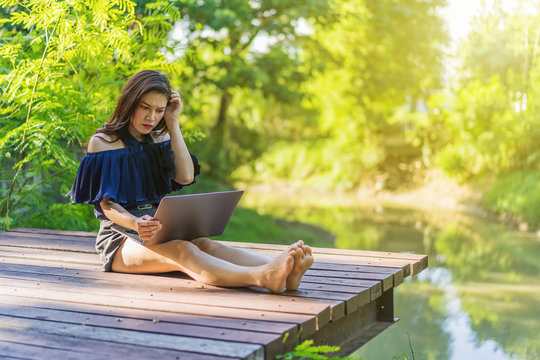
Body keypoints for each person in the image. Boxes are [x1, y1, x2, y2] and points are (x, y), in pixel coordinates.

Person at [67, 70, 313, 293]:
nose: (152, 117)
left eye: (159, 110)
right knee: (184, 250)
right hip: (121, 240)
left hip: (160, 230)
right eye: (145, 107)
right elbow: (107, 206)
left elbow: (185, 177)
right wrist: (135, 222)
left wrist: (173, 123)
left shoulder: (159, 137)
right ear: (130, 103)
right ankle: (263, 277)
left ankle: (286, 271)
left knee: (204, 243)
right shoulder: (103, 143)